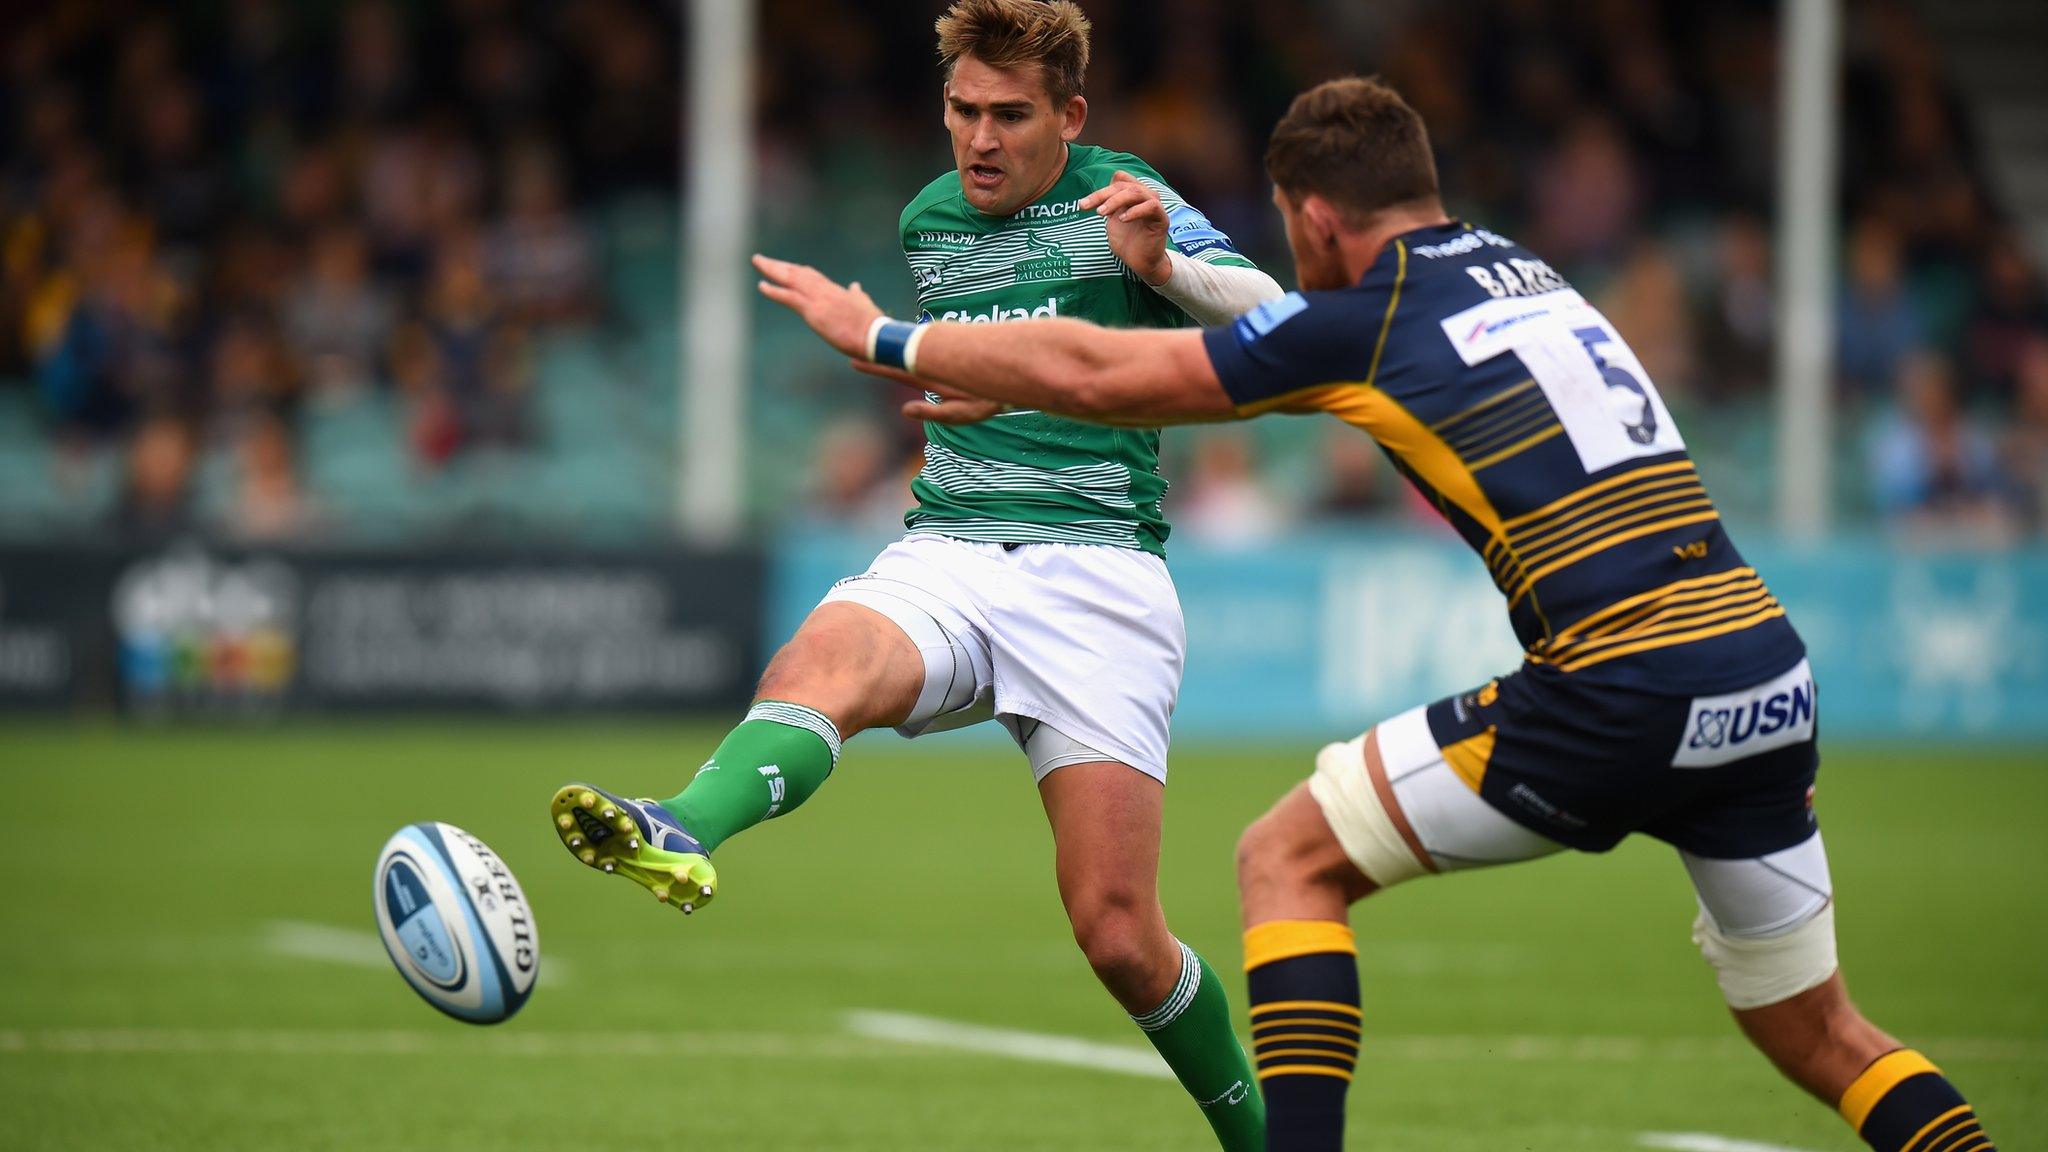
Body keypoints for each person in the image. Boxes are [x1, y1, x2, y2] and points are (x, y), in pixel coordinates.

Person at [755, 75, 2001, 1152]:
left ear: (1309, 217)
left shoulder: (1368, 315)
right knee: (1815, 1028)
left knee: (1281, 859)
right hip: (1763, 676)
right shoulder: (1518, 264)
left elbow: (1099, 366)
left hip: (1627, 681)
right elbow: (1189, 375)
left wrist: (884, 333)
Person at [552, 3, 1282, 1147]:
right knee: (822, 659)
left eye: (1009, 115)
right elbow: (1011, 356)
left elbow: (1275, 333)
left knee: (1116, 933)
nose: (978, 139)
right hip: (948, 544)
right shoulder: (930, 221)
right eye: (961, 110)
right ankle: (684, 824)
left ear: (1068, 117)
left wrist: (1167, 269)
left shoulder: (1130, 196)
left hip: (1096, 576)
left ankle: (1258, 1136)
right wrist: (994, 387)